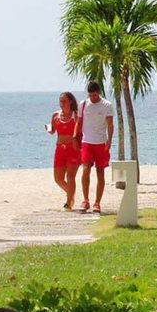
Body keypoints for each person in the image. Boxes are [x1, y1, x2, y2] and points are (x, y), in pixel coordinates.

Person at [75, 81, 113, 214]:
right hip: (86, 142)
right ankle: (85, 200)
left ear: (99, 93)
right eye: (91, 95)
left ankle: (97, 203)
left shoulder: (107, 105)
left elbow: (110, 124)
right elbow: (79, 122)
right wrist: (75, 137)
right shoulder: (83, 104)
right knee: (85, 169)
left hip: (101, 142)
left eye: (95, 95)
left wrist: (109, 140)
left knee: (100, 172)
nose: (93, 97)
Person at [46, 92, 80, 211]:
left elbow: (81, 130)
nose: (62, 103)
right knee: (58, 179)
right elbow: (53, 131)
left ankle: (68, 203)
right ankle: (71, 194)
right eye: (60, 101)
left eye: (64, 101)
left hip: (73, 148)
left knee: (71, 176)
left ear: (70, 101)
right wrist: (49, 130)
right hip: (60, 148)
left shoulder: (76, 115)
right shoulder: (56, 115)